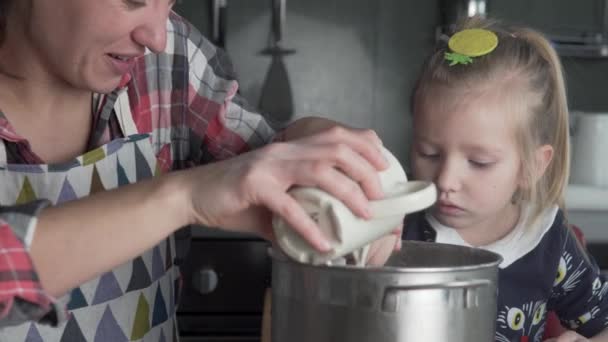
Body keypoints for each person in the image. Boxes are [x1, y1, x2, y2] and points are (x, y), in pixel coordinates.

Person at [0, 0, 400, 340]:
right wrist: (184, 197)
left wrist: (320, 149)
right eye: (134, 0)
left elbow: (266, 153)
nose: (155, 37)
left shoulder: (168, 59)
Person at [403, 16, 608, 342]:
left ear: (530, 167)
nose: (445, 180)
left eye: (479, 162)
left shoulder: (548, 242)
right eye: (428, 153)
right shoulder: (398, 227)